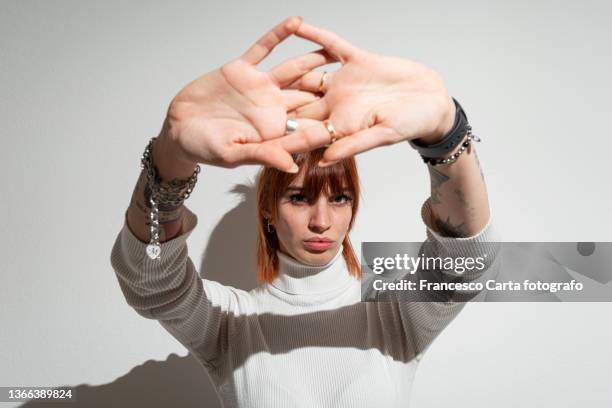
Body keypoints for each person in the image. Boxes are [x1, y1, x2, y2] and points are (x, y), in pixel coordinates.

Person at [110, 16, 500, 407]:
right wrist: (170, 158)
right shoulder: (228, 323)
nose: (322, 221)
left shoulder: (391, 311)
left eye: (339, 198)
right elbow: (151, 280)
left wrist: (445, 134)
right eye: (298, 198)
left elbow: (466, 262)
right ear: (267, 211)